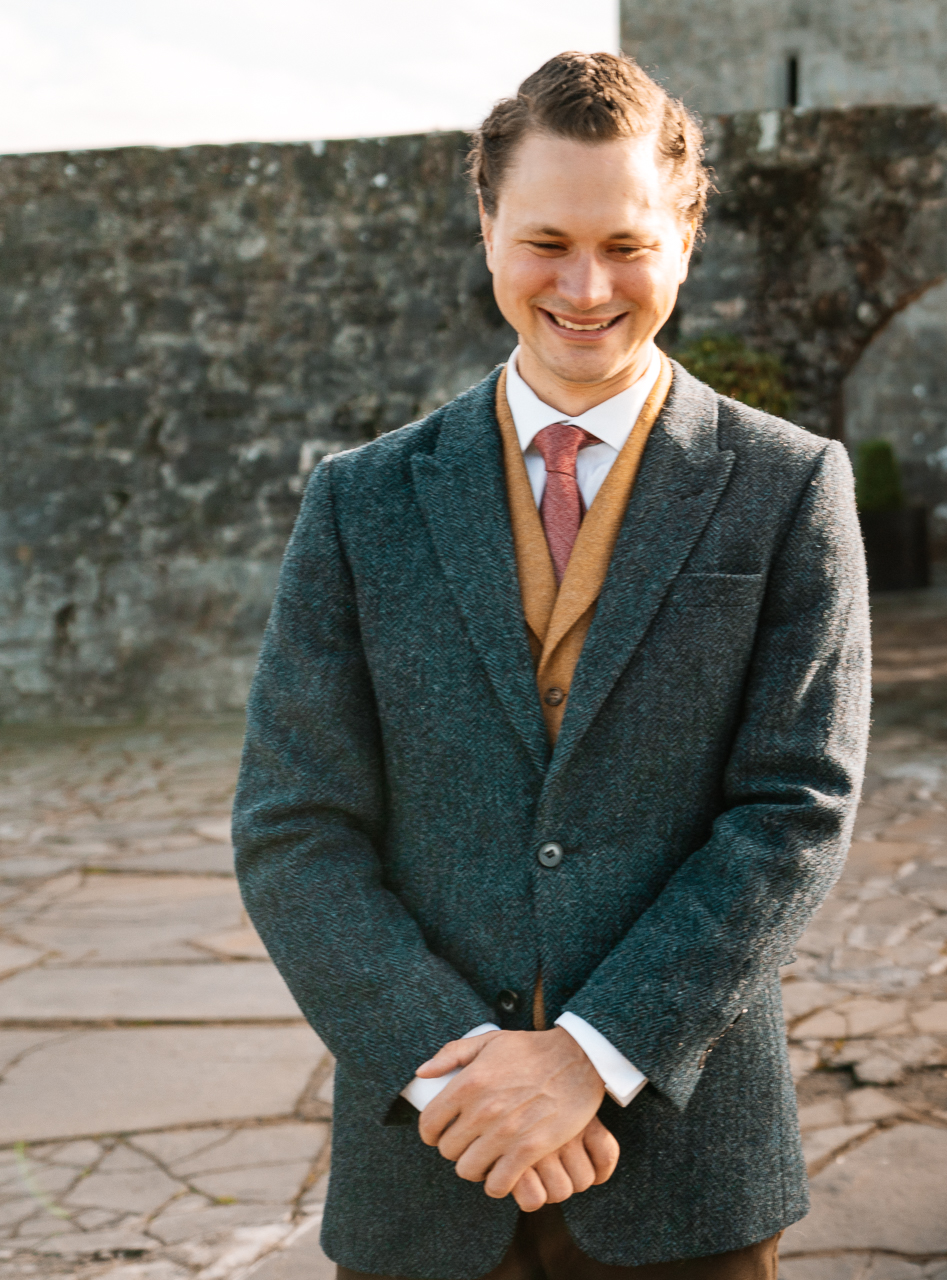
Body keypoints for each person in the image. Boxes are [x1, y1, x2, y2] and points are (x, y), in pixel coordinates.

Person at [232, 52, 869, 1280]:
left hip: (683, 1162)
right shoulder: (359, 501)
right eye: (547, 241)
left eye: (628, 243)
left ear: (686, 233)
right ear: (486, 229)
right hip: (428, 1158)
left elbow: (795, 809)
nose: (586, 286)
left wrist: (592, 1051)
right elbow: (290, 823)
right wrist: (452, 1064)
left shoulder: (792, 486)